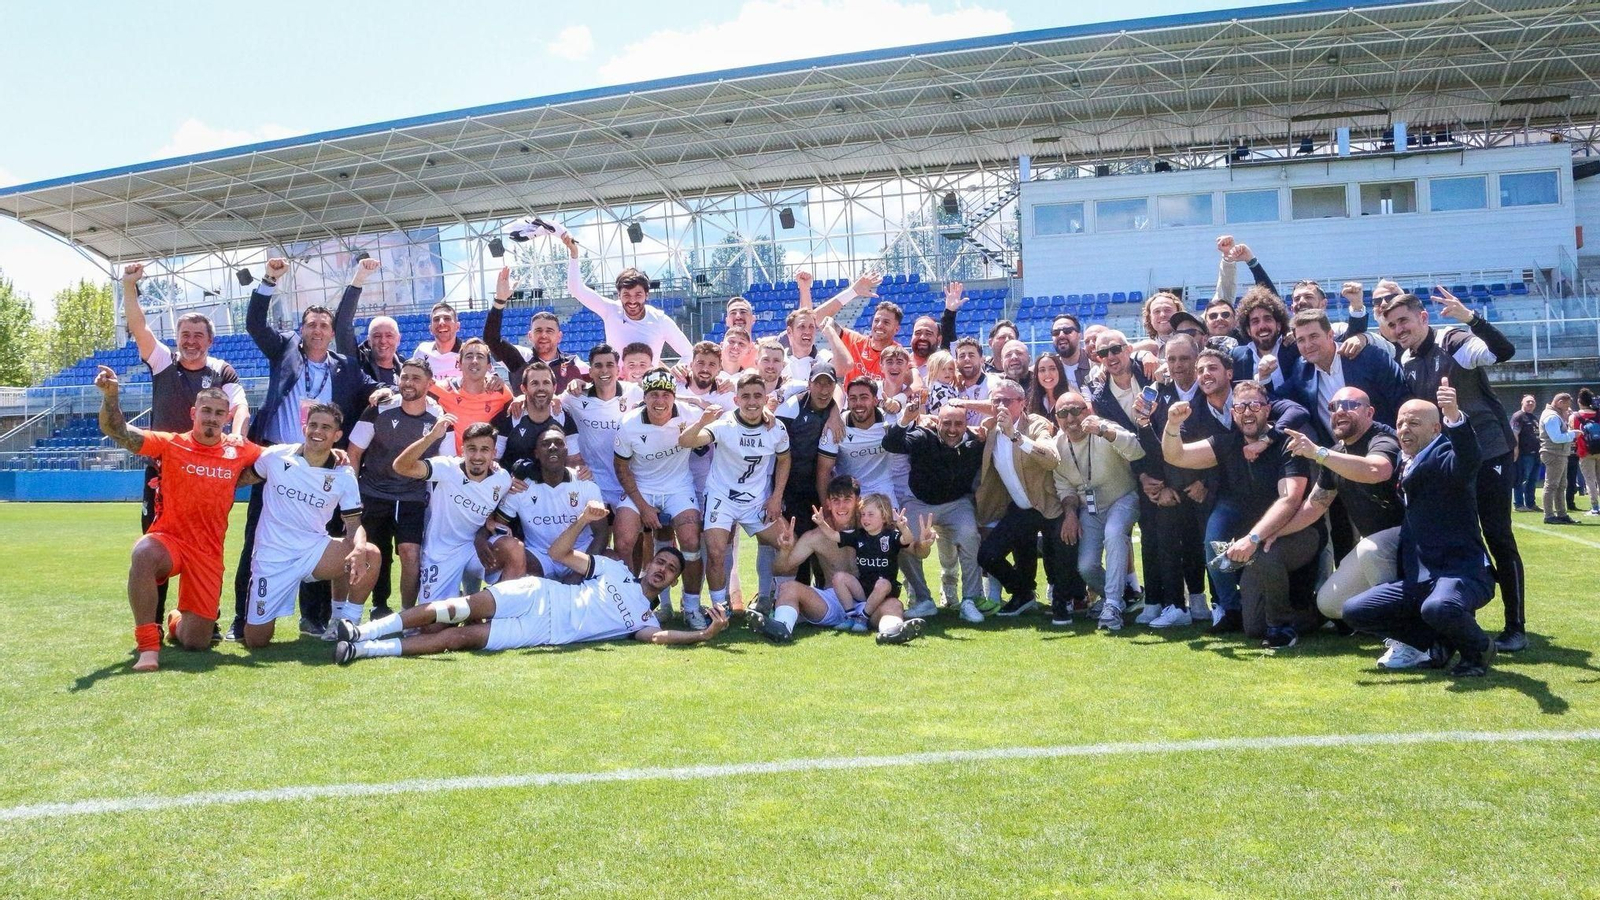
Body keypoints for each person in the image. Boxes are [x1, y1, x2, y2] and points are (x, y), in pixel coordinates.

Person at [333, 502, 727, 662]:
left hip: (542, 631)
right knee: (457, 608)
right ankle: (361, 629)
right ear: (648, 563)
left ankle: (365, 650)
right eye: (660, 561)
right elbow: (558, 555)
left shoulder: (647, 620)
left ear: (674, 583)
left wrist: (703, 637)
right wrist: (583, 522)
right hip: (538, 593)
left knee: (460, 638)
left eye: (670, 570)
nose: (662, 569)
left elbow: (658, 640)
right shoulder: (614, 570)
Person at [234, 257, 378, 641]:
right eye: (311, 324)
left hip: (323, 467)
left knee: (322, 538)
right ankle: (240, 620)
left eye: (324, 325)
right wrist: (268, 281)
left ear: (332, 333)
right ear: (301, 330)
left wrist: (383, 392)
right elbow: (254, 324)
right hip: (280, 462)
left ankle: (314, 619)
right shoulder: (284, 351)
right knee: (256, 542)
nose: (317, 330)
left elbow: (369, 389)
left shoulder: (345, 366)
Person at [1378, 288, 1524, 652]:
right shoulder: (1406, 358)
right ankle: (1453, 618)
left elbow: (1502, 352)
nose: (1399, 328)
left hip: (1487, 453)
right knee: (1450, 537)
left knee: (1497, 535)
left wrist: (1469, 318)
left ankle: (1515, 626)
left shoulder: (1454, 339)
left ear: (1423, 318)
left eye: (1404, 321)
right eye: (1393, 324)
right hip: (1448, 463)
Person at [95, 367, 261, 672]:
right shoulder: (171, 443)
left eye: (219, 413)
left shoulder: (240, 450)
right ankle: (148, 646)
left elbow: (281, 459)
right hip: (169, 539)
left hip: (207, 552)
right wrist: (111, 396)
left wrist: (332, 454)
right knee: (143, 552)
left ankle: (175, 620)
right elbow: (117, 430)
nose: (211, 417)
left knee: (196, 642)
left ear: (227, 418)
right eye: (206, 411)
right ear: (193, 412)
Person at [119, 262, 250, 625]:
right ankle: (153, 621)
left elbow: (240, 406)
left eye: (198, 335)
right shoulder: (163, 361)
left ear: (210, 341)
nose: (191, 341)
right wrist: (129, 285)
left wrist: (237, 434)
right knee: (154, 546)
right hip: (163, 474)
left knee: (206, 547)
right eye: (185, 334)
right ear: (178, 337)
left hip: (207, 476)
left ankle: (198, 614)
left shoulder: (222, 371)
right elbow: (139, 326)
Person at [1343, 381, 1499, 676]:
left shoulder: (1444, 456)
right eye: (1400, 422)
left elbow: (1468, 460)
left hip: (1460, 573)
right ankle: (1432, 644)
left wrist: (1454, 416)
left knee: (1438, 608)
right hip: (1419, 580)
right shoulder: (1406, 462)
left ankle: (1478, 649)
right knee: (1354, 610)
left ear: (1436, 430)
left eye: (1414, 423)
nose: (1404, 429)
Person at [1162, 381, 1313, 645]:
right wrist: (1172, 425)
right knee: (1253, 627)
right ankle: (1311, 615)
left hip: (1297, 533)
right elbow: (1177, 456)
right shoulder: (1226, 444)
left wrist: (1253, 538)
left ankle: (1283, 628)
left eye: (1255, 405)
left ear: (1267, 410)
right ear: (1233, 413)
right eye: (1240, 407)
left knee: (1267, 553)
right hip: (1257, 539)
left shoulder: (1288, 444)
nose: (1247, 412)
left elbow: (1289, 500)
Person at [243, 404, 380, 648]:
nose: (318, 431)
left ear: (337, 436)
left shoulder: (344, 473)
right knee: (256, 641)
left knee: (369, 553)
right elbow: (240, 479)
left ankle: (344, 623)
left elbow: (353, 524)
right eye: (313, 424)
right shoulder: (275, 456)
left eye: (326, 427)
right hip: (272, 556)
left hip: (313, 551)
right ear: (304, 427)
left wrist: (358, 547)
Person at [1272, 388, 1405, 621]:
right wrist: (1273, 533)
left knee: (1369, 548)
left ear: (1369, 412)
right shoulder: (1335, 454)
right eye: (1334, 407)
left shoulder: (1383, 439)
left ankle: (1402, 629)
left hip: (1409, 538)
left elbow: (1378, 470)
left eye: (1350, 405)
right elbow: (1314, 506)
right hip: (1375, 548)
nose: (1340, 411)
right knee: (1329, 603)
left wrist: (1318, 453)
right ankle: (1390, 615)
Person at [679, 373, 791, 618]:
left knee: (786, 543)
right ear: (736, 399)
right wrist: (701, 421)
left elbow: (784, 459)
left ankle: (773, 599)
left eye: (757, 396)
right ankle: (722, 607)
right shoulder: (724, 424)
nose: (752, 401)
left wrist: (775, 496)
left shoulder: (776, 427)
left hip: (756, 501)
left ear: (766, 398)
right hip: (722, 497)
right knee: (716, 551)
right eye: (746, 396)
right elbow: (685, 441)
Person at [346, 356, 441, 616]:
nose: (408, 383)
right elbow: (354, 452)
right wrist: (352, 496)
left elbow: (446, 463)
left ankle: (408, 613)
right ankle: (378, 607)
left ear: (429, 383)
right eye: (405, 377)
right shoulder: (380, 407)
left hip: (412, 496)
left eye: (416, 378)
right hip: (374, 493)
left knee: (411, 553)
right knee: (376, 553)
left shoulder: (438, 416)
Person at [883, 390, 987, 623]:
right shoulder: (922, 436)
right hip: (919, 502)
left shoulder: (974, 442)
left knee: (970, 536)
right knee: (903, 540)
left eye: (958, 424)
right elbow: (891, 443)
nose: (952, 429)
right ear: (937, 422)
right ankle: (924, 600)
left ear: (966, 424)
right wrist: (906, 420)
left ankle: (970, 599)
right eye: (946, 423)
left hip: (956, 504)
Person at [612, 368, 706, 621]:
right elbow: (621, 467)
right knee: (623, 541)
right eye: (653, 395)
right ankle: (630, 604)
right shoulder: (629, 423)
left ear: (674, 397)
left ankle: (692, 607)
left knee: (691, 542)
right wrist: (643, 507)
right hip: (641, 487)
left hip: (678, 487)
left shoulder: (691, 414)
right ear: (645, 397)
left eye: (666, 394)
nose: (660, 401)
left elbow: (724, 415)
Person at [391, 418, 513, 606]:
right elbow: (401, 466)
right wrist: (431, 437)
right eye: (472, 448)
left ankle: (499, 615)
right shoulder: (446, 468)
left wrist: (485, 527)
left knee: (515, 551)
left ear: (494, 453)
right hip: (441, 552)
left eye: (485, 450)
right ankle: (458, 603)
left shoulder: (503, 479)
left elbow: (487, 502)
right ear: (462, 450)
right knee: (432, 625)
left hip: (474, 550)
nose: (477, 456)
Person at [1052, 392, 1147, 630]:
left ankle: (1112, 605)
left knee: (1115, 534)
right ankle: (1121, 597)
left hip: (1123, 498)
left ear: (1088, 410)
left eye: (1076, 410)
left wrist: (1105, 431)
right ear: (1056, 418)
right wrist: (1070, 514)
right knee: (1086, 566)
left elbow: (1137, 450)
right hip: (1090, 508)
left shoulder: (1103, 428)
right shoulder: (1058, 446)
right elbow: (1064, 487)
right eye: (1063, 413)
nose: (1070, 418)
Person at [975, 378, 1067, 616]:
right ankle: (1023, 592)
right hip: (1019, 508)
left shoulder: (1037, 424)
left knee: (1056, 566)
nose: (1001, 406)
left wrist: (1015, 435)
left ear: (1022, 403)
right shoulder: (991, 430)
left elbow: (1051, 458)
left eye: (1007, 400)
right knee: (988, 555)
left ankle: (1067, 601)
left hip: (1049, 506)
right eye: (996, 401)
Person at [809, 495, 934, 644]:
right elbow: (834, 535)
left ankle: (866, 620)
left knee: (883, 583)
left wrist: (903, 527)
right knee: (839, 577)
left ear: (884, 517)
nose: (865, 518)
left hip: (883, 592)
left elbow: (907, 540)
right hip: (863, 589)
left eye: (870, 514)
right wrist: (822, 523)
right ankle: (851, 617)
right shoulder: (859, 535)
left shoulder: (891, 536)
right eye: (862, 514)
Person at [491, 425, 604, 580]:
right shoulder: (520, 487)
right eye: (545, 444)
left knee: (613, 558)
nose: (552, 447)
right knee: (518, 567)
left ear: (566, 450)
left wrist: (582, 571)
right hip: (540, 556)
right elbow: (499, 527)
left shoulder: (586, 484)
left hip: (579, 553)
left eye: (559, 443)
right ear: (536, 453)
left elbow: (602, 533)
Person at [562, 232, 693, 363]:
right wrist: (574, 255)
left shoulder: (660, 320)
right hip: (617, 383)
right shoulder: (610, 310)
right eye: (626, 295)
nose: (632, 300)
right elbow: (576, 289)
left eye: (638, 294)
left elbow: (689, 354)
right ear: (618, 295)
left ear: (647, 295)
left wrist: (674, 378)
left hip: (648, 383)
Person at [774, 364, 845, 586]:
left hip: (820, 484)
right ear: (809, 384)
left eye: (829, 384)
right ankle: (797, 593)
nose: (824, 390)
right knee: (797, 539)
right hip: (791, 487)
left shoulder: (834, 408)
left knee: (822, 537)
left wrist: (835, 412)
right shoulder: (790, 408)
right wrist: (776, 492)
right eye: (819, 383)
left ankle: (825, 591)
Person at [563, 343, 642, 512]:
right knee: (599, 535)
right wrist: (520, 400)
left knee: (629, 537)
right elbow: (549, 402)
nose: (604, 370)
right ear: (590, 371)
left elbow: (666, 399)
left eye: (609, 365)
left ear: (618, 370)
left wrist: (697, 400)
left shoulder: (634, 392)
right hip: (592, 479)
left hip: (628, 479)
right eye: (598, 366)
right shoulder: (574, 397)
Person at [485, 267, 587, 390]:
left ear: (559, 336)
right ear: (530, 336)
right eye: (538, 330)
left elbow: (601, 382)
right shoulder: (521, 358)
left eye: (549, 331)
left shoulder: (573, 363)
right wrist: (499, 300)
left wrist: (582, 383)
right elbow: (491, 339)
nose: (543, 335)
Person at [428, 338, 513, 456]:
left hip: (483, 464)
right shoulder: (443, 389)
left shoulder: (501, 393)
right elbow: (416, 388)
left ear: (489, 366)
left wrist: (521, 398)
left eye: (480, 356)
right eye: (468, 356)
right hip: (452, 465)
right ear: (459, 364)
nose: (474, 361)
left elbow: (517, 409)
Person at [493, 361, 580, 473]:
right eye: (534, 383)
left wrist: (580, 473)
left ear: (554, 388)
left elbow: (574, 460)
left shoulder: (562, 418)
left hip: (552, 484)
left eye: (546, 383)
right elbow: (494, 459)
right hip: (517, 486)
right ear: (524, 389)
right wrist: (506, 481)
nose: (541, 388)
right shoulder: (511, 417)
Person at [332, 257, 395, 384]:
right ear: (369, 340)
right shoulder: (357, 364)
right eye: (377, 336)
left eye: (389, 335)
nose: (383, 341)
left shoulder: (406, 371)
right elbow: (343, 326)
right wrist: (359, 278)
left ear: (399, 339)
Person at [1539, 392, 1578, 524]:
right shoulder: (1552, 417)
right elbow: (1556, 438)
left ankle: (1561, 514)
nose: (1568, 408)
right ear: (1560, 402)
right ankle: (1549, 515)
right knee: (1551, 485)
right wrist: (1572, 434)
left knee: (1561, 486)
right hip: (1553, 453)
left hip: (1559, 454)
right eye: (1567, 405)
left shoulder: (1555, 415)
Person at [414, 301, 463, 379]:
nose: (441, 322)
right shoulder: (421, 352)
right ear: (430, 329)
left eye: (447, 318)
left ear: (457, 326)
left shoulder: (469, 353)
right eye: (436, 319)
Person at [1510, 394, 1541, 512]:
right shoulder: (1518, 416)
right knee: (1521, 479)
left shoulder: (1533, 418)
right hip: (1524, 454)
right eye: (1528, 401)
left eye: (1533, 402)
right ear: (1522, 403)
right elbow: (1514, 434)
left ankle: (1531, 503)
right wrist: (1515, 449)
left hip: (1535, 453)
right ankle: (1519, 504)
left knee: (1532, 480)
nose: (1531, 403)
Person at [1574, 388, 1600, 517]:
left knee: (1590, 480)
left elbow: (1573, 434)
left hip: (1585, 451)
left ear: (1579, 401)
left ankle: (1595, 507)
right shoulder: (1598, 413)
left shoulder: (1576, 416)